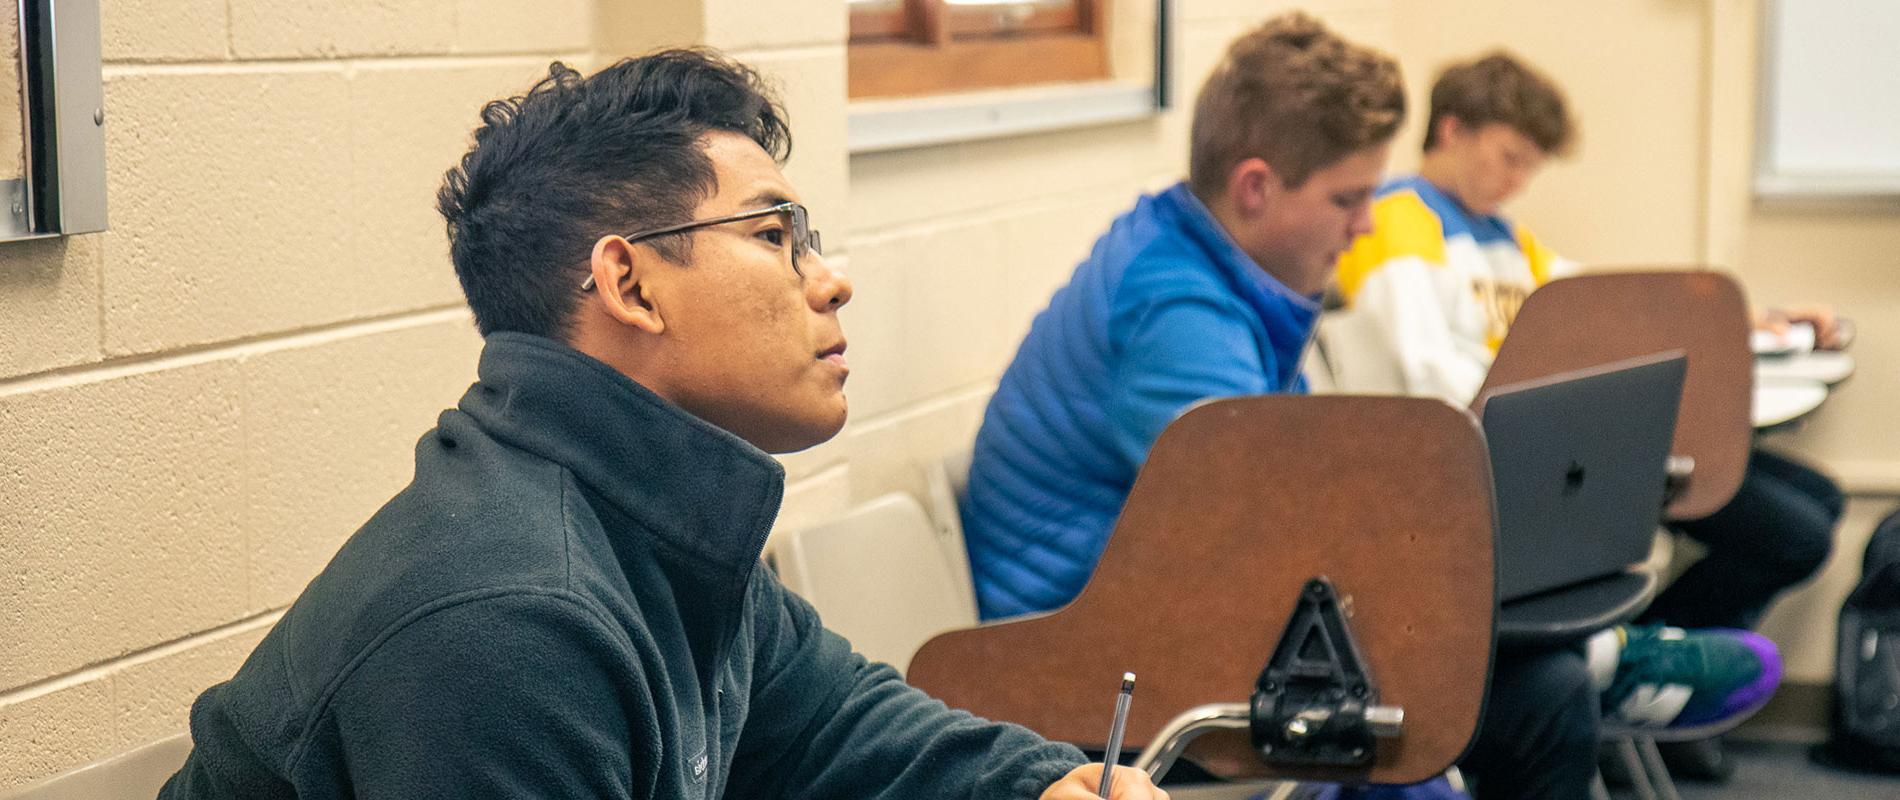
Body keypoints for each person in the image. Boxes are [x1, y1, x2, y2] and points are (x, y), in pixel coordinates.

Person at [158, 50, 1165, 800]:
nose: (833, 277)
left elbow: (826, 721)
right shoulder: (513, 617)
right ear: (629, 282)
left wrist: (1038, 783)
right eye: (775, 234)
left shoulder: (653, 524)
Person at [1332, 50, 1810, 777]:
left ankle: (1625, 663)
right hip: (1481, 471)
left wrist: (1748, 326)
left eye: (1531, 167)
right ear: (1451, 130)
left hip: (1533, 451)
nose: (1518, 181)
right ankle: (1625, 665)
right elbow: (1427, 375)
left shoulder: (1503, 237)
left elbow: (1609, 312)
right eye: (1507, 158)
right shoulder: (1401, 222)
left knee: (1767, 500)